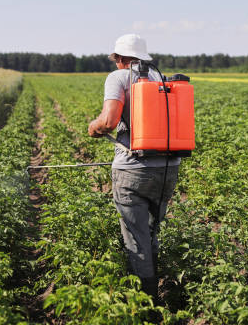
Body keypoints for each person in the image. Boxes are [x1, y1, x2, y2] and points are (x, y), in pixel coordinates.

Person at [87, 34, 180, 300]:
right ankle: (158, 283)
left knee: (136, 237)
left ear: (120, 58)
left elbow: (109, 120)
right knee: (152, 230)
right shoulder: (161, 79)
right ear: (143, 58)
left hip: (133, 169)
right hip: (168, 168)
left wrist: (93, 128)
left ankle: (145, 300)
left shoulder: (119, 77)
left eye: (116, 59)